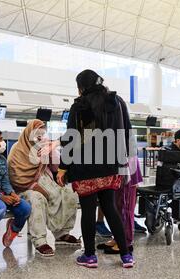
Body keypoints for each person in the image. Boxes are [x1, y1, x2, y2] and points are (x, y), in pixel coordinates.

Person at [57, 69, 134, 268]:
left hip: (85, 166)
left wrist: (63, 167)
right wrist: (121, 161)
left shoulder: (80, 105)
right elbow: (125, 132)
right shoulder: (115, 102)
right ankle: (126, 255)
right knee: (110, 208)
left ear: (82, 86)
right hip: (110, 165)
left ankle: (90, 256)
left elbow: (72, 137)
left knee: (89, 210)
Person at [8, 119, 80, 257]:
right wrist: (34, 186)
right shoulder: (17, 149)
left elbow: (54, 167)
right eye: (36, 134)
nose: (39, 137)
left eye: (42, 134)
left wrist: (51, 149)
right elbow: (15, 177)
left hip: (46, 181)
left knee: (69, 193)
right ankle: (40, 240)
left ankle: (62, 233)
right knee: (37, 198)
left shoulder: (42, 147)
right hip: (24, 188)